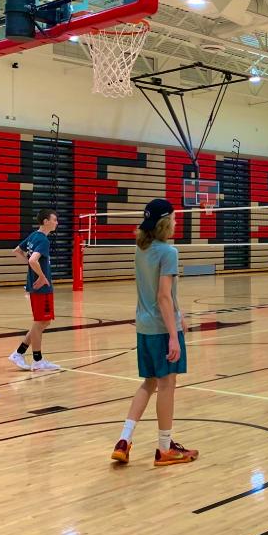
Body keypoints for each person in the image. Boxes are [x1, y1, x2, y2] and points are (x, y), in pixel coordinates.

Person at [112, 199, 198, 467]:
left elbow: (166, 295)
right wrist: (173, 335)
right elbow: (163, 296)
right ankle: (164, 448)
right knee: (166, 386)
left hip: (144, 327)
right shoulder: (168, 252)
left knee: (148, 383)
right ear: (165, 223)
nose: (176, 222)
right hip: (161, 329)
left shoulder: (141, 248)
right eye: (173, 218)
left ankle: (124, 440)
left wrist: (180, 315)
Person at [8, 209, 60, 372]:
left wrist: (32, 270)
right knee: (40, 322)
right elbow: (32, 260)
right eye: (54, 220)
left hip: (36, 285)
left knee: (44, 321)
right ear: (46, 222)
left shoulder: (33, 236)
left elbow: (16, 251)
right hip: (41, 287)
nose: (56, 223)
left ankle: (19, 353)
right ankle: (37, 360)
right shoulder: (43, 240)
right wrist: (42, 276)